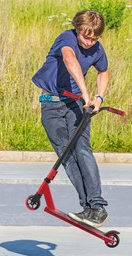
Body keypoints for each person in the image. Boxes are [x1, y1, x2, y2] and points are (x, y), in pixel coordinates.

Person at [32, 10, 109, 227]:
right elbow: (69, 59)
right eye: (86, 37)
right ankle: (88, 208)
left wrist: (99, 97)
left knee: (82, 149)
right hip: (52, 104)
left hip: (76, 104)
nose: (89, 42)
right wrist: (86, 93)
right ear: (77, 30)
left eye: (94, 38)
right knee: (66, 155)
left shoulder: (96, 48)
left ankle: (98, 206)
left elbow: (104, 71)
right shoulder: (66, 38)